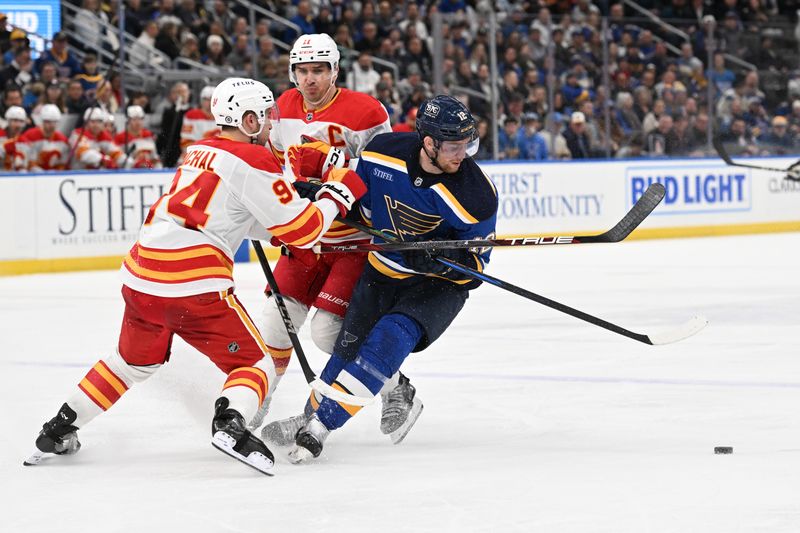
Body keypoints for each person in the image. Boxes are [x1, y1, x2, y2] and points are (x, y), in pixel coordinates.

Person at [28, 77, 367, 476]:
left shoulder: (198, 151)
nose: (270, 122)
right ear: (247, 117)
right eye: (264, 114)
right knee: (256, 366)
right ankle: (230, 424)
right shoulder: (253, 159)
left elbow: (242, 217)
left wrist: (291, 204)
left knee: (128, 363)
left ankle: (59, 427)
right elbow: (302, 231)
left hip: (141, 278)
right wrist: (336, 195)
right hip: (194, 282)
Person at [262, 95, 498, 462]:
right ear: (429, 142)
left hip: (437, 287)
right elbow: (361, 201)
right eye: (454, 145)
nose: (463, 153)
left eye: (469, 143)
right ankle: (310, 415)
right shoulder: (383, 152)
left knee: (389, 337)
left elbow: (476, 269)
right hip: (383, 270)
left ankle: (320, 427)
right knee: (346, 347)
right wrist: (318, 195)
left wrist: (439, 260)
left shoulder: (476, 196)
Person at [256, 33, 424, 442]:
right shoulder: (281, 109)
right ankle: (251, 405)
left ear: (335, 70)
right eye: (302, 71)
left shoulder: (365, 111)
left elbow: (383, 168)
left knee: (328, 333)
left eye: (318, 70)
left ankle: (396, 386)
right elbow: (281, 170)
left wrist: (333, 162)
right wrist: (282, 215)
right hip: (306, 235)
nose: (309, 79)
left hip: (352, 238)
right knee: (276, 327)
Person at [18, 104, 70, 171]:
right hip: (32, 176)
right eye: (48, 122)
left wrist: (56, 172)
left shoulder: (62, 140)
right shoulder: (29, 135)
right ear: (42, 121)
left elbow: (62, 164)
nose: (52, 125)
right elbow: (24, 158)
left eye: (54, 122)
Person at [180, 85, 219, 153]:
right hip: (196, 154)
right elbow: (186, 140)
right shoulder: (192, 115)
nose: (210, 102)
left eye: (212, 99)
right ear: (201, 100)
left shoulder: (223, 116)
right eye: (207, 99)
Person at [0, 105, 28, 171]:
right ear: (8, 121)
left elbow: (25, 166)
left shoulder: (24, 142)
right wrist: (3, 148)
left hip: (13, 178)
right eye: (15, 120)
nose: (18, 125)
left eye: (21, 121)